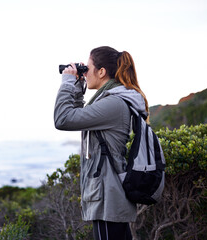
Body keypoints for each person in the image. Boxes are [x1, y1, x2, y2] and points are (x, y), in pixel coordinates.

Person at [54, 46, 149, 240]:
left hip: (109, 197)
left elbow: (63, 119)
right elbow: (79, 118)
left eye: (87, 68)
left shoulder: (113, 104)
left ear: (102, 72)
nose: (85, 73)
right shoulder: (109, 101)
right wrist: (78, 90)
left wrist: (67, 83)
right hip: (108, 195)